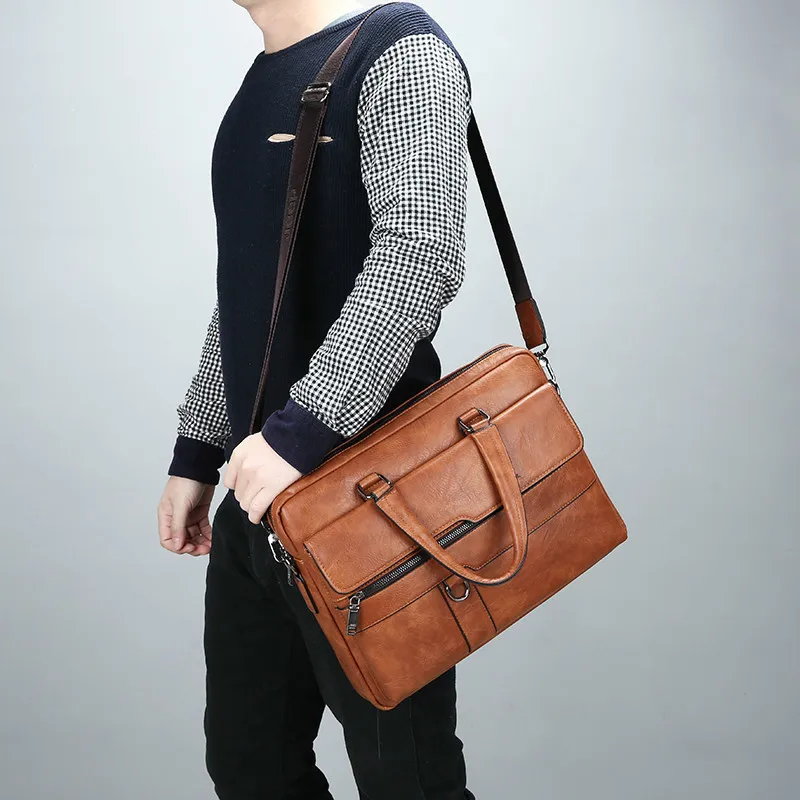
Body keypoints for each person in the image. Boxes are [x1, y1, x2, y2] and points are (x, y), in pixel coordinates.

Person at [156, 1, 476, 797]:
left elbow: (421, 252)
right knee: (251, 772)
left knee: (408, 784)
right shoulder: (265, 77)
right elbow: (250, 290)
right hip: (259, 502)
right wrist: (198, 451)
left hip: (374, 507)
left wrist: (299, 435)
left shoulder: (401, 51)